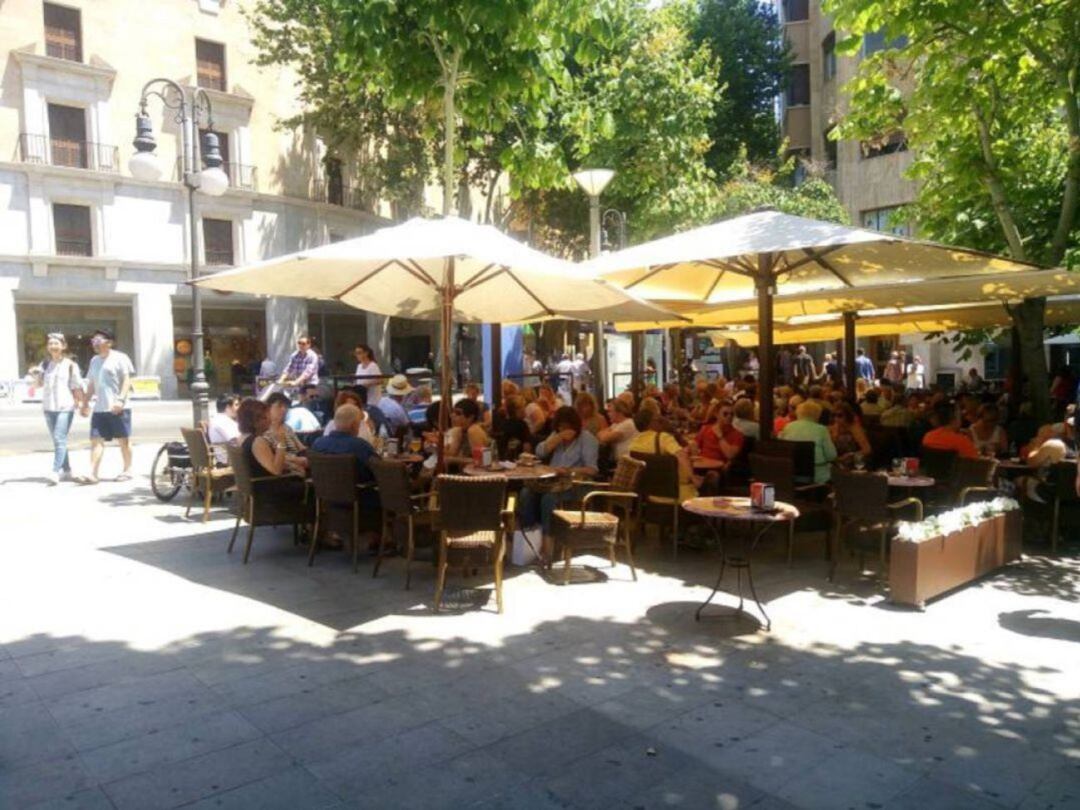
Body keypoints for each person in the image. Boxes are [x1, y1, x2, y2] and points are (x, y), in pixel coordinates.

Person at [518, 406, 599, 561]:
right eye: (560, 427)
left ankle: (549, 545)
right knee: (526, 493)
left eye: (567, 427)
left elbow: (592, 470)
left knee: (549, 499)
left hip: (578, 484)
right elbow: (540, 452)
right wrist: (557, 438)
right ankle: (531, 540)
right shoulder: (557, 436)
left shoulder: (587, 439)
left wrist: (569, 471)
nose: (564, 430)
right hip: (553, 482)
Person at [81, 328, 135, 483]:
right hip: (99, 408)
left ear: (109, 343)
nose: (95, 345)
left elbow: (126, 380)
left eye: (98, 341)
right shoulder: (94, 360)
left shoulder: (120, 358)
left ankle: (127, 470)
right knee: (96, 439)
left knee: (123, 440)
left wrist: (120, 400)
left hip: (118, 407)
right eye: (93, 341)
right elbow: (91, 383)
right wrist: (85, 402)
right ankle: (92, 473)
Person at [31, 332, 84, 484]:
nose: (53, 346)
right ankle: (67, 470)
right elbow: (38, 385)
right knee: (58, 440)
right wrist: (35, 375)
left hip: (65, 407)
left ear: (63, 346)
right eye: (50, 344)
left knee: (59, 438)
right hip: (48, 408)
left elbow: (76, 386)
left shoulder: (70, 365)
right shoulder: (45, 365)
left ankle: (55, 471)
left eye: (56, 343)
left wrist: (82, 404)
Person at [311, 404, 379, 512]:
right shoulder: (360, 446)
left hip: (325, 501)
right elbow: (379, 471)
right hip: (360, 501)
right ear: (354, 425)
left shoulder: (318, 444)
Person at [237, 398, 307, 500]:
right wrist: (281, 442)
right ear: (254, 421)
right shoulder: (258, 441)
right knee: (315, 488)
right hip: (269, 490)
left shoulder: (244, 438)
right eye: (265, 418)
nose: (269, 420)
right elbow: (276, 470)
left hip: (261, 487)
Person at [629, 412, 700, 501]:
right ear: (651, 423)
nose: (662, 422)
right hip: (676, 492)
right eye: (659, 420)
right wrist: (693, 478)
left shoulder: (634, 443)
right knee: (709, 480)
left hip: (648, 492)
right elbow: (681, 456)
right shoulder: (663, 438)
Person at [779, 400, 838, 483]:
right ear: (818, 414)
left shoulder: (788, 427)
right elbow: (831, 455)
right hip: (818, 476)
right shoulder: (821, 430)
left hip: (792, 474)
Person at [693, 400, 744, 470]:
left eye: (732, 414)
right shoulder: (706, 428)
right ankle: (693, 478)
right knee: (681, 455)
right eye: (725, 414)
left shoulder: (737, 434)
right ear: (716, 414)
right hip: (703, 464)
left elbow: (730, 455)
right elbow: (694, 446)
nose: (729, 416)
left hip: (718, 467)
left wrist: (720, 437)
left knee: (713, 475)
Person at [264, 391, 309, 469]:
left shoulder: (287, 428)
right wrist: (296, 460)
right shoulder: (264, 431)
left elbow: (301, 448)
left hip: (300, 464)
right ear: (268, 408)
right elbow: (271, 456)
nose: (284, 410)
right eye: (279, 406)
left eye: (286, 406)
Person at [445, 398, 489, 462]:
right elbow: (451, 454)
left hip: (479, 471)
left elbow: (481, 461)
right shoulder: (459, 430)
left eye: (458, 413)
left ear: (470, 417)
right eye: (453, 412)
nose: (452, 415)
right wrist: (436, 444)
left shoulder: (473, 430)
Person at [207, 393, 241, 465]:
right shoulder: (222, 421)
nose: (239, 408)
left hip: (230, 457)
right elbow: (236, 440)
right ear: (228, 407)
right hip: (231, 460)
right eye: (237, 405)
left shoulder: (219, 419)